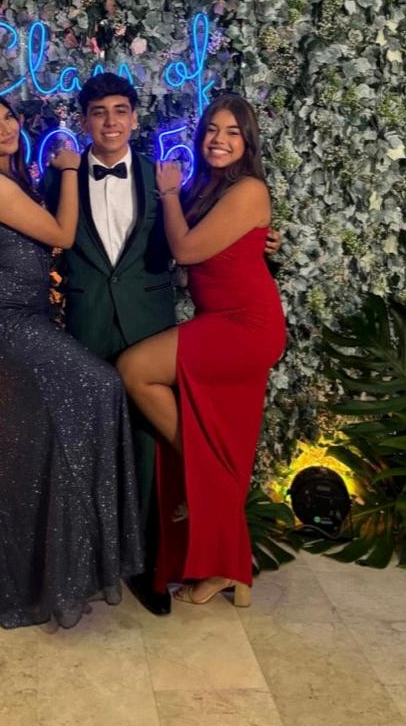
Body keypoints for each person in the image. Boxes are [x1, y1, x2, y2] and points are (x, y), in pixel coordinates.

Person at [0, 74, 281, 617]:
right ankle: (95, 562)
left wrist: (270, 244)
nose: (110, 122)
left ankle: (150, 568)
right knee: (91, 445)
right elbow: (16, 232)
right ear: (84, 121)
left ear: (135, 118)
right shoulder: (54, 180)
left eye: (120, 111)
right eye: (98, 112)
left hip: (148, 323)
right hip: (87, 322)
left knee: (146, 446)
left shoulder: (169, 182)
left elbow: (221, 240)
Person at [0, 87, 143, 630]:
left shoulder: (9, 178)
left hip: (25, 316)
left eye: (8, 118)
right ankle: (42, 576)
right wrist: (70, 170)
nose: (7, 129)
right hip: (2, 323)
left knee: (26, 451)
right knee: (100, 387)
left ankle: (41, 576)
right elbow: (60, 234)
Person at [116, 94, 286, 608]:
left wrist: (168, 193)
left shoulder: (249, 188)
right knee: (216, 438)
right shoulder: (211, 187)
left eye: (233, 132)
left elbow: (187, 250)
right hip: (222, 320)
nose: (219, 139)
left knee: (135, 369)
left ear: (248, 142)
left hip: (246, 325)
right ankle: (229, 569)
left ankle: (203, 477)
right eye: (213, 129)